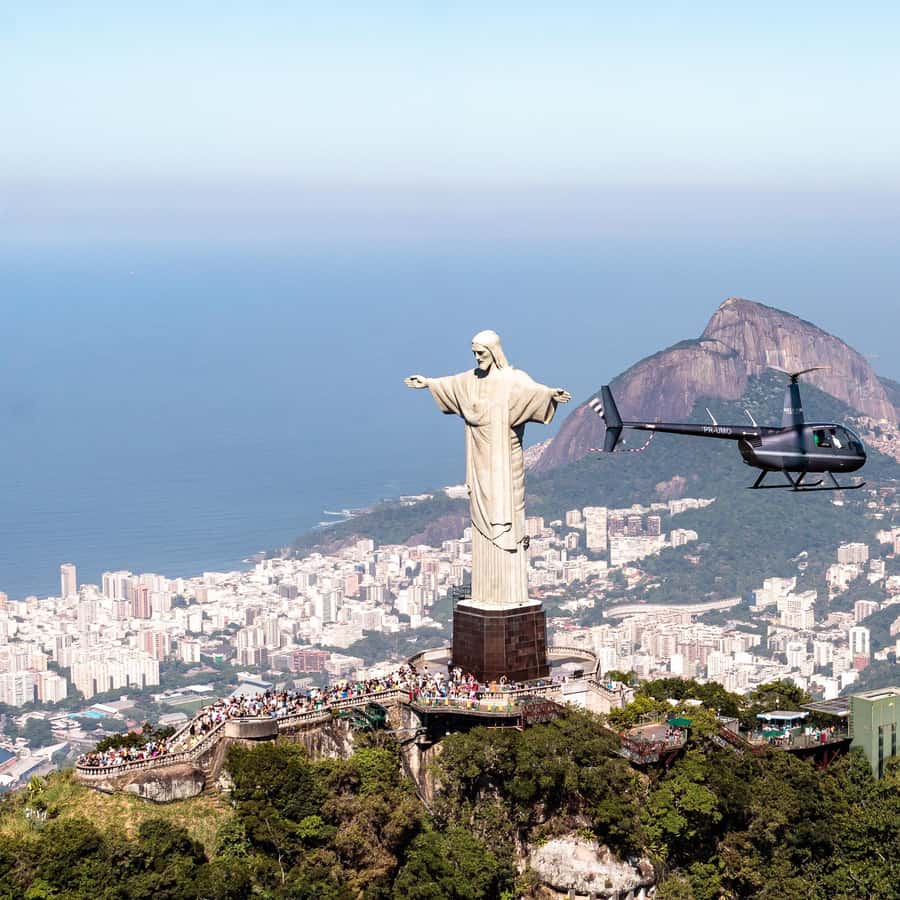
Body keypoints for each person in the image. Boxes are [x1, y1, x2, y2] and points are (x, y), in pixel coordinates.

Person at [405, 330, 570, 605]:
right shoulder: (471, 380)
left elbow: (535, 393)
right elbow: (451, 384)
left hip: (504, 459)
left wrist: (552, 394)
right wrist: (428, 383)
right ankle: (488, 592)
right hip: (479, 459)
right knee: (482, 511)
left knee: (505, 508)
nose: (477, 358)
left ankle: (508, 591)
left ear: (494, 351)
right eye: (474, 353)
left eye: (481, 353)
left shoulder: (513, 380)